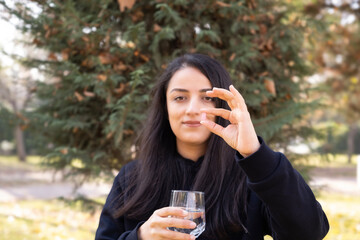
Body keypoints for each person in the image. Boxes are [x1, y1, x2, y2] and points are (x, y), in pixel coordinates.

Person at [95, 53, 329, 240]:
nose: (193, 109)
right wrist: (141, 236)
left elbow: (309, 232)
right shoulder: (132, 177)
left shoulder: (252, 177)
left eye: (207, 97)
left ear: (223, 105)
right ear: (165, 109)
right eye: (180, 98)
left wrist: (254, 153)